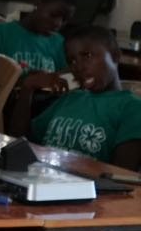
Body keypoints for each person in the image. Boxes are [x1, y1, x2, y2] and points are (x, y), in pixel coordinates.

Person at [10, 26, 141, 169]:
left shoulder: (131, 108)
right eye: (72, 61)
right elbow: (19, 143)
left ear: (115, 56)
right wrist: (27, 88)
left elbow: (122, 176)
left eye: (87, 55)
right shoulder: (69, 99)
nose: (78, 67)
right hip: (44, 181)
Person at [0, 0, 76, 73]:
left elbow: (64, 78)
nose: (58, 23)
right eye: (53, 15)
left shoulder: (59, 43)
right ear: (37, 3)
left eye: (65, 19)